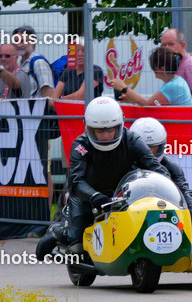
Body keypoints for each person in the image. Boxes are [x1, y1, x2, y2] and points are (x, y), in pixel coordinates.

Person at [42, 97, 167, 255]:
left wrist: (161, 186)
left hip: (122, 196)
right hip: (88, 198)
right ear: (90, 128)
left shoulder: (132, 140)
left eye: (110, 130)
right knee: (76, 243)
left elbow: (156, 168)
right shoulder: (81, 145)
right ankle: (57, 231)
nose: (106, 135)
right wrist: (94, 196)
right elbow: (76, 180)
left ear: (119, 126)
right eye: (100, 131)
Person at [128, 117, 192, 239]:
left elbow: (184, 191)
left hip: (167, 214)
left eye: (152, 148)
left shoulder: (172, 167)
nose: (148, 153)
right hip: (131, 216)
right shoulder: (125, 165)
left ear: (161, 146)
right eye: (144, 148)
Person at [109, 47, 192, 106]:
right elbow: (151, 103)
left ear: (162, 69)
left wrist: (124, 88)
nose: (155, 75)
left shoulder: (172, 86)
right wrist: (133, 99)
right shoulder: (178, 81)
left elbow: (147, 105)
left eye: (155, 70)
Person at [12, 25, 55, 98]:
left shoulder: (39, 63)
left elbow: (48, 97)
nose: (19, 45)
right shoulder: (20, 65)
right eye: (16, 41)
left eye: (23, 41)